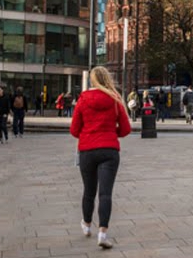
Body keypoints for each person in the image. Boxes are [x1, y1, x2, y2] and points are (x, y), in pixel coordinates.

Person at [70, 66, 132, 249]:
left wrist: (88, 132)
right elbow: (126, 129)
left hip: (87, 150)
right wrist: (111, 133)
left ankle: (87, 225)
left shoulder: (83, 99)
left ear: (92, 80)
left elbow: (74, 130)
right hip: (109, 150)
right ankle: (103, 233)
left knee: (89, 191)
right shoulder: (114, 99)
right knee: (105, 193)